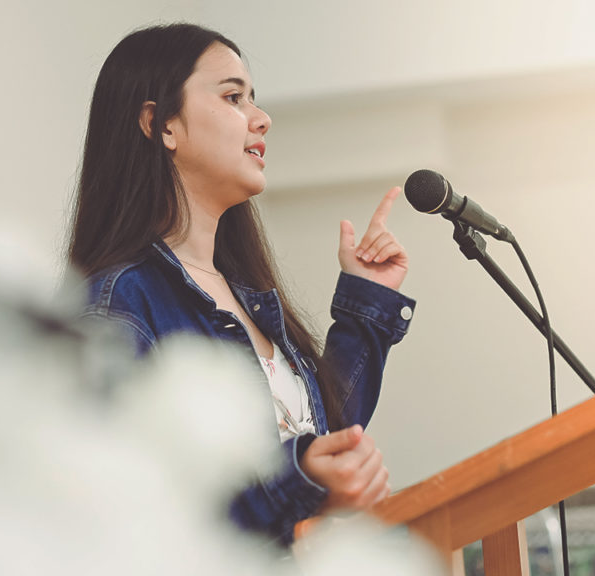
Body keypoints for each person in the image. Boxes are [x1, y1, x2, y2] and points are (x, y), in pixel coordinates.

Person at [67, 23, 416, 547]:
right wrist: (296, 479)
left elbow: (320, 439)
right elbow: (133, 509)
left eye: (254, 98)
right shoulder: (119, 303)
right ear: (161, 124)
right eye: (233, 97)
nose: (262, 118)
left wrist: (367, 300)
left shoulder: (244, 293)